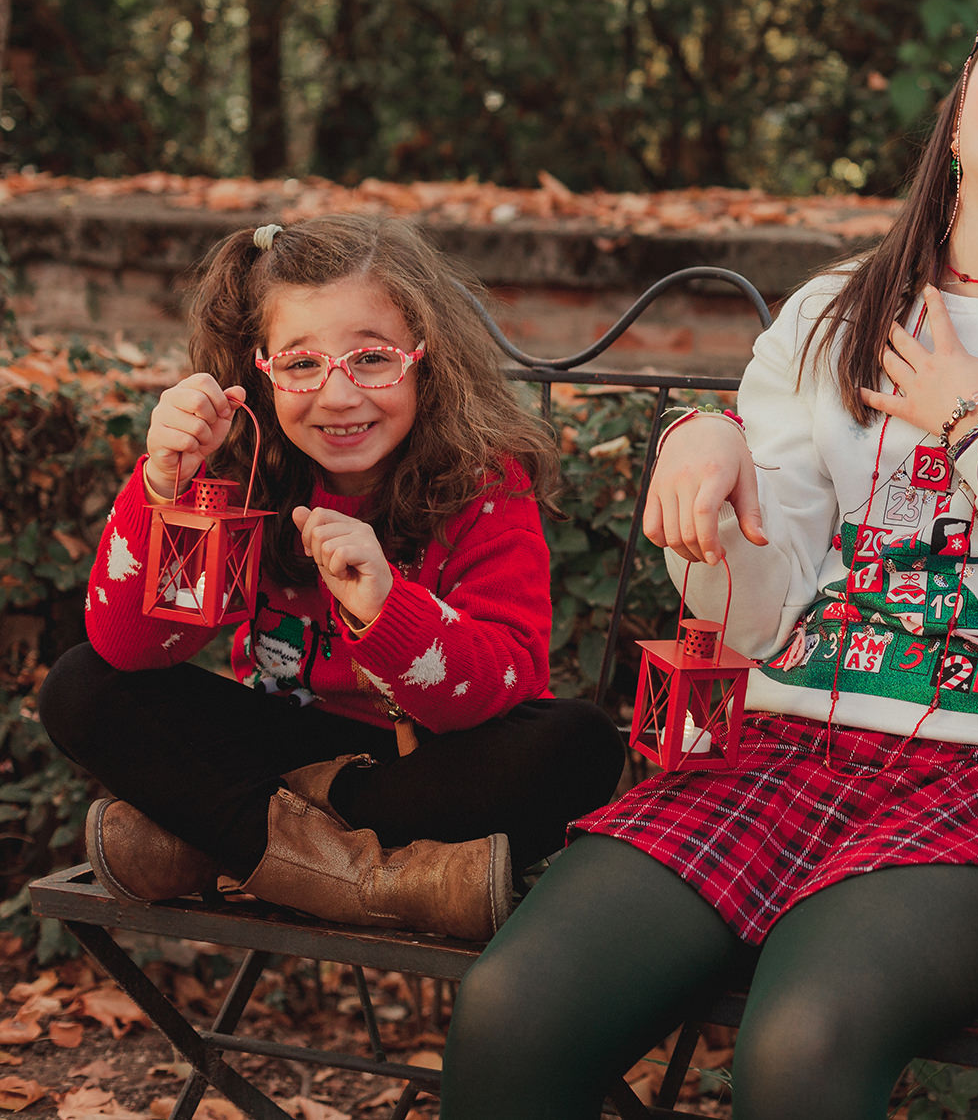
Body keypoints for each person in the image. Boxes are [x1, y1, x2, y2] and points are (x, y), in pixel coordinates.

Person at [439, 0, 978, 1119]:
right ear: (958, 118)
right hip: (775, 754)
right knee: (515, 1004)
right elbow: (756, 619)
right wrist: (712, 476)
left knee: (803, 1046)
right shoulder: (830, 314)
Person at [37, 215, 626, 941]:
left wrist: (387, 609)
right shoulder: (241, 470)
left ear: (425, 357)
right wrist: (162, 487)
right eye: (301, 364)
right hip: (283, 744)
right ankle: (363, 880)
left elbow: (510, 677)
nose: (339, 395)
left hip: (423, 769)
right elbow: (128, 646)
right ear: (259, 369)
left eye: (372, 358)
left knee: (580, 742)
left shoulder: (484, 482)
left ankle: (224, 844)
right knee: (80, 685)